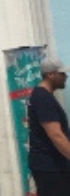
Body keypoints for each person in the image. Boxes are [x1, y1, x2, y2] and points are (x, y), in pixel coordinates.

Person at [28, 57, 70, 195]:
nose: (66, 76)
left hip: (53, 166)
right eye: (62, 74)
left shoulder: (44, 97)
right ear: (50, 75)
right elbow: (55, 134)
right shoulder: (42, 98)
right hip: (49, 168)